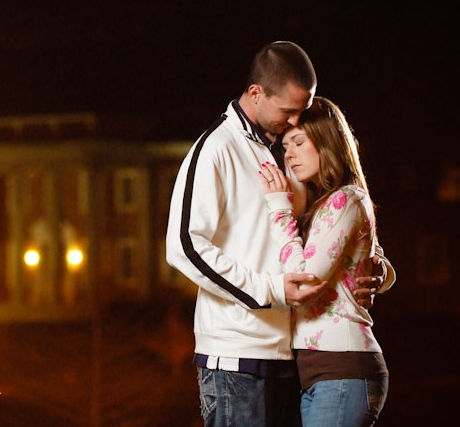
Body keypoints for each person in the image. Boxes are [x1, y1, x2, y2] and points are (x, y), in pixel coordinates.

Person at [165, 41, 394, 427]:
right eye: (288, 112)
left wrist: (377, 269)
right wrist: (270, 289)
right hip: (237, 360)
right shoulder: (216, 148)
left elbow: (335, 224)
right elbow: (184, 246)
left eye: (300, 115)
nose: (293, 123)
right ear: (256, 93)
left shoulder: (283, 150)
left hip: (292, 359)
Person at [259, 97, 389, 426]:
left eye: (299, 143)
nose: (289, 154)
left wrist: (280, 209)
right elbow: (374, 258)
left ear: (328, 142)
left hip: (343, 369)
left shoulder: (345, 198)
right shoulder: (323, 204)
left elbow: (305, 278)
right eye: (286, 146)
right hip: (321, 373)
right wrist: (383, 272)